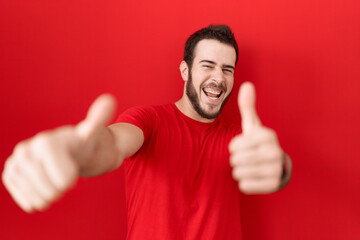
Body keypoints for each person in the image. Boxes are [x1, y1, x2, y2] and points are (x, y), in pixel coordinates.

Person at [2, 25, 292, 239]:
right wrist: (78, 152)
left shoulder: (239, 141)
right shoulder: (149, 120)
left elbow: (275, 164)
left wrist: (279, 166)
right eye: (208, 66)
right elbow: (113, 144)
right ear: (184, 71)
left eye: (228, 69)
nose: (218, 77)